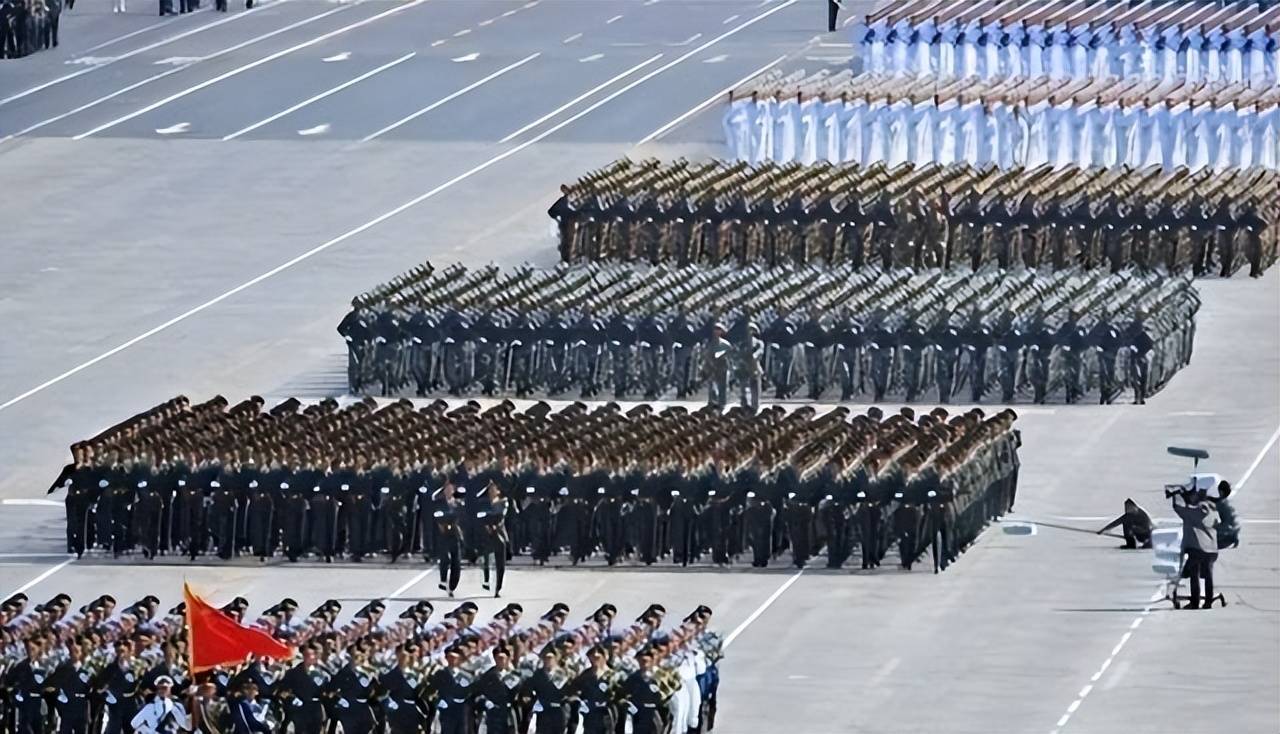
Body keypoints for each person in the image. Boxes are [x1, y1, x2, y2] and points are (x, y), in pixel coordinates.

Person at [1172, 486, 1221, 610]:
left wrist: (1176, 496)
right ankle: (1208, 602)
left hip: (1198, 548)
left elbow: (1179, 509)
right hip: (1212, 548)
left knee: (1194, 574)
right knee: (1208, 575)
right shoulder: (1213, 509)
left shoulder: (1196, 511)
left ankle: (1195, 602)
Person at [1211, 480, 1240, 549]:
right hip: (1235, 528)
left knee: (1208, 529)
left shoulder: (1221, 504)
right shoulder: (1227, 502)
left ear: (1221, 492)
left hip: (1227, 530)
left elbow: (1212, 507)